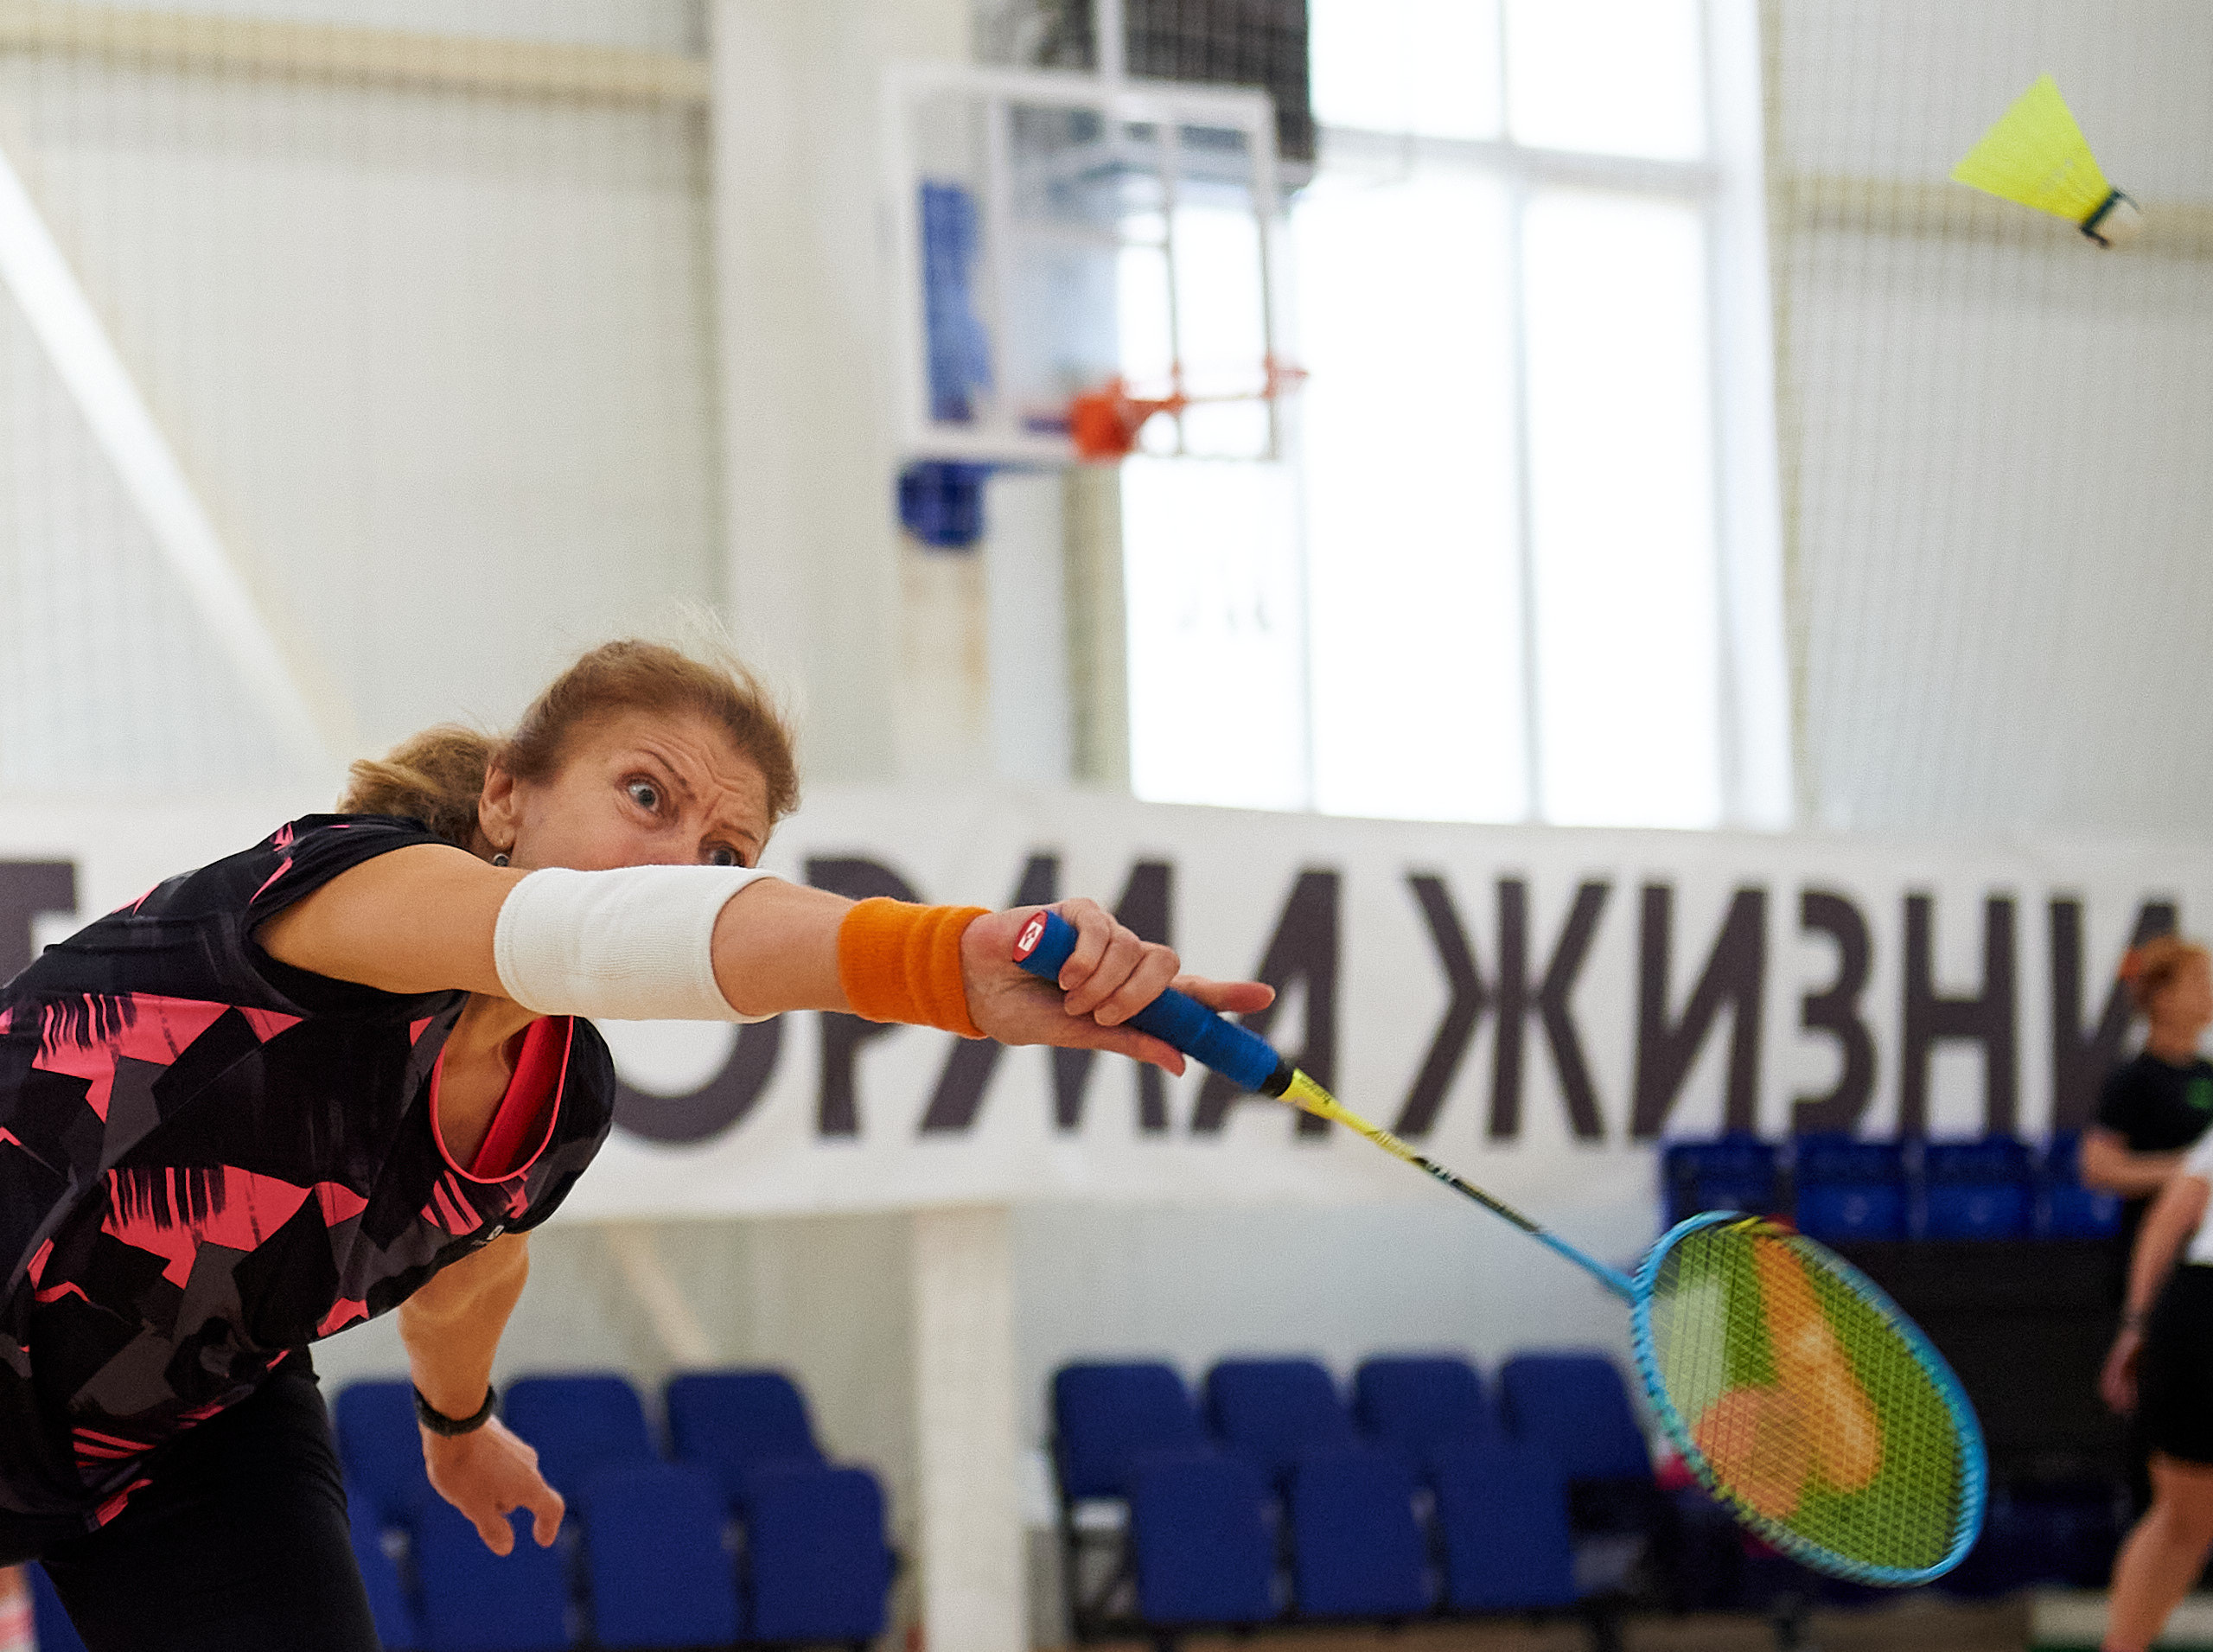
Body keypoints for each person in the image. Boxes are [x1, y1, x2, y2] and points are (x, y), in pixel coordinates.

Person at [0, 638, 1268, 1652]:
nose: (680, 866)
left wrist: (460, 1421)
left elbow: (466, 1267)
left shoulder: (561, 1104)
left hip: (179, 1421)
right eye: (644, 796)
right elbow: (584, 932)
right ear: (507, 794)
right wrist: (946, 963)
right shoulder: (340, 886)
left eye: (724, 855)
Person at [2086, 937, 2213, 1512]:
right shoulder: (2134, 1078)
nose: (2208, 992)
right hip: (2154, 1266)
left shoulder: (2208, 1073)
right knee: (2156, 1413)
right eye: (2196, 980)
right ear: (2160, 996)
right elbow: (2098, 1165)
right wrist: (2186, 1173)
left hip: (2202, 1265)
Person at [2099, 1126, 2213, 1651]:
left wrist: (2136, 1326)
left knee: (2181, 1523)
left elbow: (2170, 1216)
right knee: (2185, 1522)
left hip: (2193, 1306)